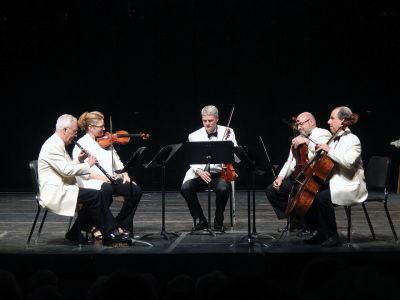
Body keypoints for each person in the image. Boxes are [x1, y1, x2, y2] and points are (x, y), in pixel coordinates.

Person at [38, 114, 125, 246]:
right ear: (65, 130)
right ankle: (109, 234)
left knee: (97, 195)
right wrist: (88, 164)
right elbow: (66, 171)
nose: (75, 135)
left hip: (64, 186)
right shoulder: (53, 145)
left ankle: (77, 232)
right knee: (96, 196)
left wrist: (78, 160)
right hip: (55, 191)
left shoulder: (57, 143)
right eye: (74, 132)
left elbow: (65, 166)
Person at [303, 106, 368, 247]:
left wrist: (329, 150)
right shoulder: (334, 139)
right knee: (311, 192)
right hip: (337, 182)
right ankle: (321, 232)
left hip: (351, 185)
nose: (328, 121)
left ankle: (333, 236)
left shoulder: (353, 140)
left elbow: (348, 162)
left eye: (332, 118)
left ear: (343, 121)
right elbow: (328, 162)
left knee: (322, 198)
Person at [72, 111, 142, 239]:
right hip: (92, 181)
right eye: (100, 126)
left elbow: (117, 162)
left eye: (104, 126)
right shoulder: (81, 144)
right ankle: (99, 225)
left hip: (112, 179)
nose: (104, 129)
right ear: (90, 127)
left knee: (135, 190)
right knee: (106, 190)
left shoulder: (107, 142)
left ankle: (121, 224)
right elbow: (79, 171)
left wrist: (125, 174)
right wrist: (102, 178)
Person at [265, 112, 331, 234]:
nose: (299, 127)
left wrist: (306, 142)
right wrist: (280, 177)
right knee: (272, 191)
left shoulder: (323, 133)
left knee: (302, 196)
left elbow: (321, 156)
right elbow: (290, 161)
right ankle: (297, 219)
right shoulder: (298, 138)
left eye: (301, 124)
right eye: (297, 125)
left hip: (314, 177)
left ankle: (303, 223)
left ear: (311, 122)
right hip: (299, 175)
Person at [181, 105, 238, 232]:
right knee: (186, 188)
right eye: (204, 121)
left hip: (219, 174)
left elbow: (235, 156)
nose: (207, 124)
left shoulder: (228, 131)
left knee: (224, 188)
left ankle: (218, 221)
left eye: (210, 121)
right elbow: (192, 159)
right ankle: (201, 220)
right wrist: (199, 171)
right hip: (200, 174)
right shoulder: (193, 136)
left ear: (217, 119)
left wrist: (230, 146)